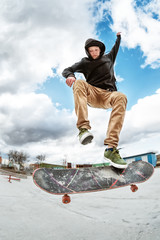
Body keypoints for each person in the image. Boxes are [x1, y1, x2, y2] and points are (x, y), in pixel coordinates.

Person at [62, 32, 127, 169]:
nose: (94, 53)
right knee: (79, 83)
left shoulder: (109, 57)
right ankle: (83, 129)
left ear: (100, 49)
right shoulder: (85, 62)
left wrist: (119, 37)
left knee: (121, 96)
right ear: (88, 52)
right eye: (91, 51)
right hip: (92, 93)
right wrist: (70, 76)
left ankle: (111, 149)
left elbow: (116, 47)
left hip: (108, 95)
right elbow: (67, 69)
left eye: (96, 50)